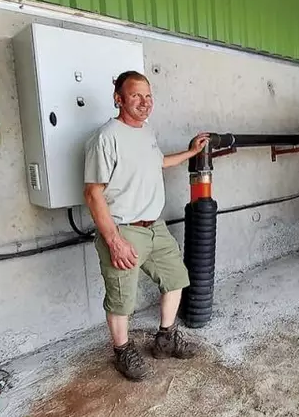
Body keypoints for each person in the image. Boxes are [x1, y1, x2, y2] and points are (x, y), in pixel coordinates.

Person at [83, 70, 209, 381]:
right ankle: (123, 351)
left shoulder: (147, 133)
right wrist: (114, 240)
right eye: (136, 95)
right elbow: (93, 192)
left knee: (176, 278)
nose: (144, 102)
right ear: (119, 99)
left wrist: (191, 152)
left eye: (148, 96)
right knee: (121, 298)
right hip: (124, 228)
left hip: (156, 226)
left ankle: (165, 338)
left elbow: (158, 162)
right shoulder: (106, 137)